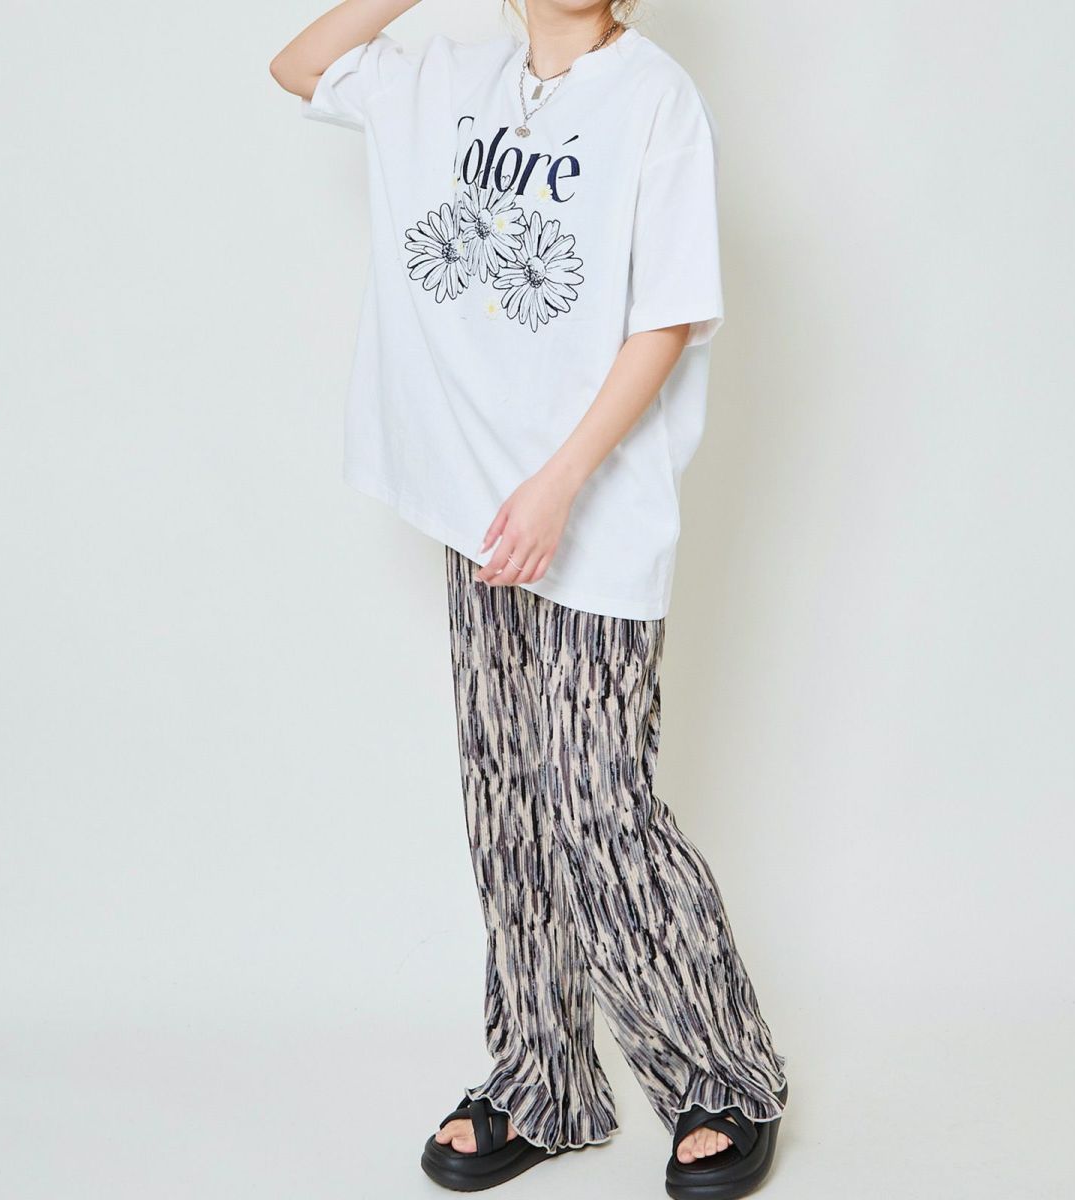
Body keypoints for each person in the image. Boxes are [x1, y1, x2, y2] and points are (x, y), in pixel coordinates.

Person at [270, 1, 789, 1195]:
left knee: (599, 795)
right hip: (480, 508)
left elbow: (669, 316)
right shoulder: (452, 76)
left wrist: (560, 486)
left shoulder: (654, 98)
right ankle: (543, 1079)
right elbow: (297, 66)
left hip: (589, 509)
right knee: (507, 795)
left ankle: (723, 1075)